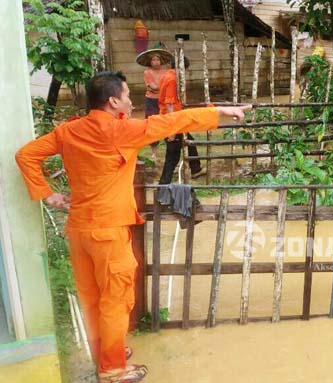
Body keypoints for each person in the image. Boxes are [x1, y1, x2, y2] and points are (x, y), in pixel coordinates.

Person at [15, 71, 250, 383]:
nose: (130, 100)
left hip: (79, 230)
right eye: (126, 96)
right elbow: (173, 122)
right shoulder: (122, 131)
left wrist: (47, 194)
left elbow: (26, 155)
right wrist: (220, 112)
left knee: (93, 297)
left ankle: (105, 352)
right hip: (108, 232)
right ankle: (111, 370)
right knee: (115, 300)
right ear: (114, 101)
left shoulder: (68, 131)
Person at [158, 56, 205, 184]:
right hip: (172, 119)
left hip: (172, 117)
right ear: (182, 68)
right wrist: (172, 129)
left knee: (189, 142)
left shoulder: (166, 75)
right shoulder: (172, 79)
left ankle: (195, 169)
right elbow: (169, 103)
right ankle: (163, 185)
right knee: (172, 156)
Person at [142, 53, 167, 161]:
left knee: (166, 122)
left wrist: (159, 88)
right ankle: (154, 152)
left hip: (163, 99)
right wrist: (161, 87)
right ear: (150, 62)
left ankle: (168, 149)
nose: (156, 62)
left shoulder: (165, 72)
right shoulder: (147, 72)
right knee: (152, 123)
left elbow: (160, 87)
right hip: (151, 100)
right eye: (153, 60)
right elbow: (153, 87)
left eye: (157, 59)